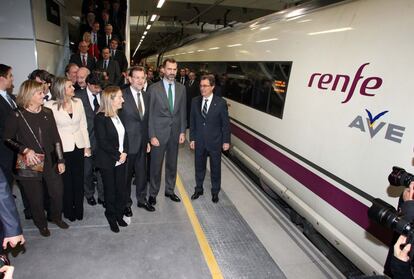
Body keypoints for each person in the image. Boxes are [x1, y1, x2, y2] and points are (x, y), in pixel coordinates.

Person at [3, 80, 69, 236]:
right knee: (36, 198)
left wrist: (60, 160)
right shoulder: (17, 115)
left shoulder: (47, 112)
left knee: (57, 192)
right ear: (29, 95)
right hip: (29, 162)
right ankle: (41, 224)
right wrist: (24, 149)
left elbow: (56, 138)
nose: (44, 95)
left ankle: (56, 217)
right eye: (40, 93)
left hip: (50, 160)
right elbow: (7, 138)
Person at [45, 77, 91, 221]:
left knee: (79, 179)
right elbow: (50, 132)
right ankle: (68, 211)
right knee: (65, 181)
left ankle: (78, 210)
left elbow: (83, 125)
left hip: (78, 145)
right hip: (62, 149)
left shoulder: (78, 102)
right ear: (61, 89)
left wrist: (87, 146)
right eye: (70, 86)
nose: (73, 88)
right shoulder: (50, 106)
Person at [148, 58, 186, 206]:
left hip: (175, 133)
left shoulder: (181, 88)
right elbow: (149, 115)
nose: (172, 72)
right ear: (163, 69)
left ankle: (169, 190)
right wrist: (151, 135)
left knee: (172, 164)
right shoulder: (153, 89)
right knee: (156, 166)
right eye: (169, 69)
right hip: (158, 134)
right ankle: (153, 193)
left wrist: (182, 131)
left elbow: (182, 111)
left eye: (174, 69)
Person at [189, 75, 230, 203]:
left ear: (212, 87)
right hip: (200, 141)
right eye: (201, 86)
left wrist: (226, 141)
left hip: (215, 142)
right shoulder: (195, 101)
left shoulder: (221, 103)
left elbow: (225, 124)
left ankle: (215, 191)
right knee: (199, 167)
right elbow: (193, 121)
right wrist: (192, 138)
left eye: (205, 86)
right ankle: (199, 188)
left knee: (215, 168)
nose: (202, 88)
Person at [119, 67, 153, 215]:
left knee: (142, 173)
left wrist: (148, 141)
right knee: (126, 176)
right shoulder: (121, 95)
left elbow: (146, 121)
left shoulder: (146, 96)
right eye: (136, 77)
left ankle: (141, 199)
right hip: (127, 144)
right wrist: (120, 146)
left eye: (142, 78)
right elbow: (117, 121)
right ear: (130, 79)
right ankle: (126, 202)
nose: (140, 80)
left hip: (142, 142)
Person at [94, 86, 128, 233]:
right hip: (108, 160)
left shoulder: (118, 115)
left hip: (121, 158)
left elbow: (125, 136)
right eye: (120, 97)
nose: (123, 100)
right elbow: (102, 142)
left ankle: (119, 214)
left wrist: (125, 152)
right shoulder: (100, 118)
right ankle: (111, 216)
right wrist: (118, 155)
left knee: (121, 189)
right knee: (110, 190)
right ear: (111, 99)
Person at [75, 73, 105, 206]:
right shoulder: (77, 96)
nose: (98, 90)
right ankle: (89, 194)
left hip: (102, 141)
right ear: (88, 84)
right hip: (85, 140)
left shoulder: (104, 95)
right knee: (86, 171)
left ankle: (102, 195)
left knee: (102, 170)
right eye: (95, 88)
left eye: (100, 87)